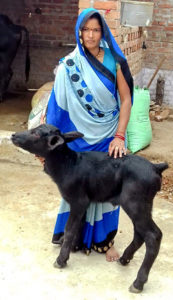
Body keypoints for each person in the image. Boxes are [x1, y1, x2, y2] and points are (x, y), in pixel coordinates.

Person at [46, 7, 133, 262]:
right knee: (74, 186)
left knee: (109, 186)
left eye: (96, 29)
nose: (92, 35)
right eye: (87, 30)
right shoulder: (68, 66)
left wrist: (119, 136)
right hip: (80, 139)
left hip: (109, 135)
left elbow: (126, 100)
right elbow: (57, 107)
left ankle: (105, 241)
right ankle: (71, 235)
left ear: (102, 32)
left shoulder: (115, 61)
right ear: (79, 32)